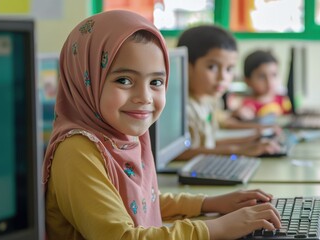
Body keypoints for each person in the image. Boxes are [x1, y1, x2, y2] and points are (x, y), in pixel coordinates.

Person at [42, 10, 281, 240]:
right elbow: (121, 236)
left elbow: (144, 200)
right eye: (124, 80)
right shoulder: (77, 150)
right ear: (85, 79)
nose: (144, 97)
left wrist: (209, 203)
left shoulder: (124, 137)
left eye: (156, 81)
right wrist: (215, 228)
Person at [176, 25, 282, 160]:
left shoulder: (208, 100)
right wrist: (238, 150)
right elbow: (179, 154)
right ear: (186, 66)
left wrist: (250, 139)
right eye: (212, 67)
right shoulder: (180, 108)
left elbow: (208, 143)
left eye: (229, 69)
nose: (223, 77)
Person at [234, 50, 292, 121]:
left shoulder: (284, 101)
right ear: (247, 81)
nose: (269, 81)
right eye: (261, 76)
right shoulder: (247, 105)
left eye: (274, 75)